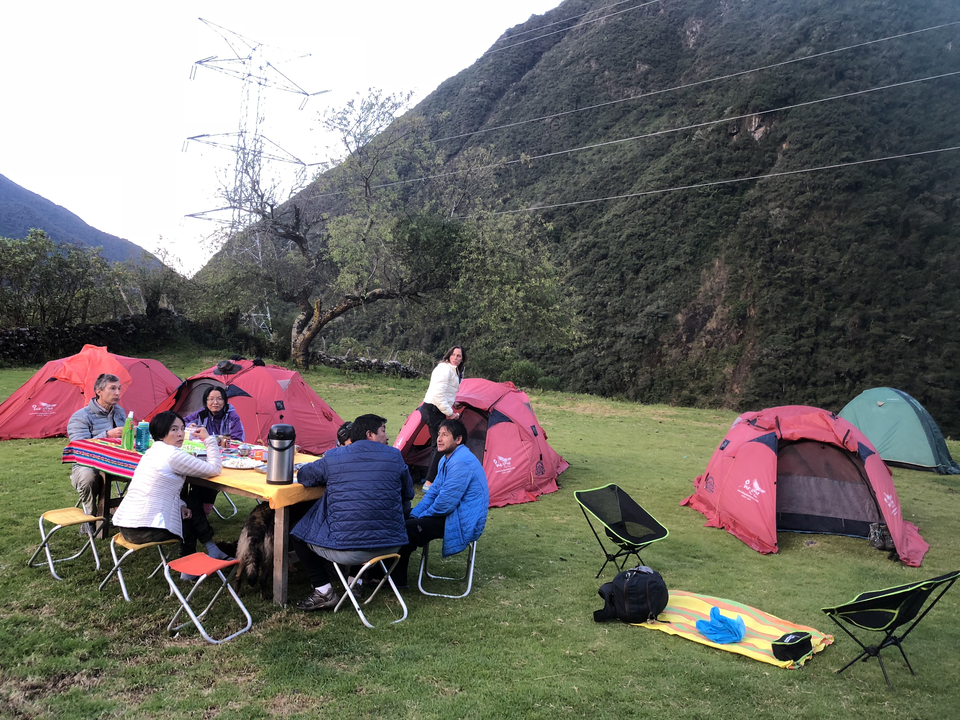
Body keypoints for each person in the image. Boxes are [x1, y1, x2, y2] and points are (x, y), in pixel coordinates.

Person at [290, 414, 414, 611]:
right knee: (366, 520)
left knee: (298, 534)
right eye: (383, 430)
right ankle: (354, 582)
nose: (387, 436)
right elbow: (409, 493)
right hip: (391, 545)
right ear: (370, 434)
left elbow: (305, 476)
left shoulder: (334, 456)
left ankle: (323, 591)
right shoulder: (395, 456)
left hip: (348, 550)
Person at [112, 411, 232, 567]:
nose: (180, 434)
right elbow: (215, 469)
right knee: (189, 516)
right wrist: (208, 439)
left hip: (127, 525)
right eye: (174, 429)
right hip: (144, 529)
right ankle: (190, 566)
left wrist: (180, 504)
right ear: (161, 433)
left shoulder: (152, 451)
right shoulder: (173, 455)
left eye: (182, 428)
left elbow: (157, 488)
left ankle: (208, 552)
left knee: (189, 506)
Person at [393, 418, 489, 588]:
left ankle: (397, 581)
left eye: (445, 435)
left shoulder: (460, 462)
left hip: (461, 520)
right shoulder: (447, 459)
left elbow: (444, 504)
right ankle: (382, 574)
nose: (439, 439)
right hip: (451, 513)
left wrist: (417, 518)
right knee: (399, 517)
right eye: (438, 434)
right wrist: (416, 513)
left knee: (408, 528)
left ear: (458, 439)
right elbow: (433, 493)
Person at [66, 373, 127, 517]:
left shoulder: (119, 412)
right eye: (112, 389)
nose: (118, 393)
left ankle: (126, 515)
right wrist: (107, 435)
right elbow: (79, 447)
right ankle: (90, 520)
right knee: (88, 477)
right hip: (87, 463)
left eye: (119, 388)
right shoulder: (80, 416)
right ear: (98, 391)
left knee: (147, 471)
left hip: (117, 460)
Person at [183, 386, 244, 514]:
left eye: (219, 399)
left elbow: (238, 440)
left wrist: (222, 442)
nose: (215, 403)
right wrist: (189, 426)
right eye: (211, 399)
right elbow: (182, 423)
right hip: (202, 455)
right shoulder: (201, 413)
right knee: (193, 474)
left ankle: (203, 510)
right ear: (206, 401)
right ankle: (192, 508)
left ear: (225, 401)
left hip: (224, 457)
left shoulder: (232, 416)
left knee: (210, 476)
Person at [420, 346, 465, 486]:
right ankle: (429, 482)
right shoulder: (444, 369)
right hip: (432, 409)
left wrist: (453, 402)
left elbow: (445, 392)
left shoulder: (453, 370)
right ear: (449, 355)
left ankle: (431, 478)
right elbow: (438, 395)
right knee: (440, 444)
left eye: (459, 356)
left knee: (437, 444)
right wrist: (451, 414)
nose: (456, 358)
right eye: (454, 355)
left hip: (436, 409)